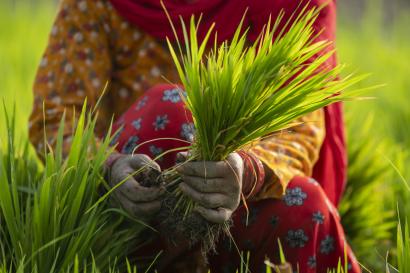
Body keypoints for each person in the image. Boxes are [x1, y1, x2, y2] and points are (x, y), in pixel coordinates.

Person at [29, 0, 361, 272]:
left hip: (233, 206)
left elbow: (301, 125)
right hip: (130, 215)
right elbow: (56, 119)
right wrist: (108, 166)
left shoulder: (288, 6)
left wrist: (244, 172)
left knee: (305, 204)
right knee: (172, 107)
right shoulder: (101, 5)